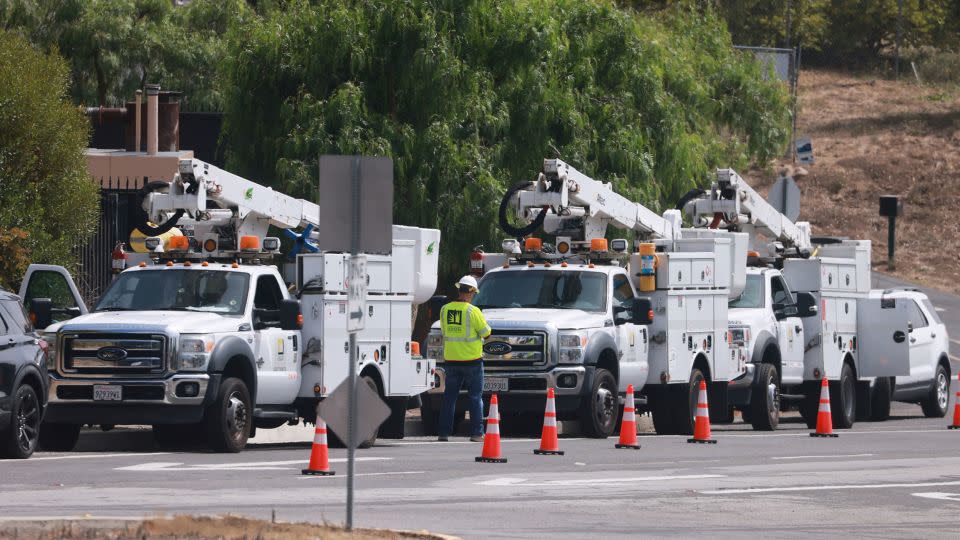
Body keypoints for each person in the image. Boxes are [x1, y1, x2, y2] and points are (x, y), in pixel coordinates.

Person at [438, 275, 491, 442]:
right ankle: (476, 433)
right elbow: (486, 333)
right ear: (471, 292)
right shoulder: (473, 311)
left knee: (449, 397)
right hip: (472, 362)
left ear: (459, 290)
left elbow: (445, 330)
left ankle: (444, 433)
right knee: (475, 397)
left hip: (451, 361)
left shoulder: (445, 309)